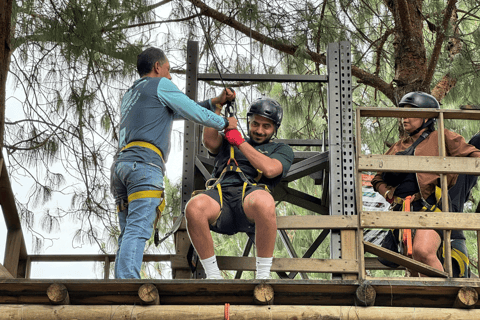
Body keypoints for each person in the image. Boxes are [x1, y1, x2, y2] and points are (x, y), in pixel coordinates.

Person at [111, 47, 237, 279]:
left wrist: (213, 102)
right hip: (144, 165)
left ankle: (121, 279)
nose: (170, 76)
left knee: (128, 231)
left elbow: (174, 110)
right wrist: (223, 123)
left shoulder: (131, 94)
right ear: (158, 67)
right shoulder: (161, 84)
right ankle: (127, 283)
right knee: (138, 229)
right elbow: (189, 110)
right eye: (168, 70)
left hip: (121, 166)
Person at [372, 91, 480, 277]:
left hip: (430, 207)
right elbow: (377, 178)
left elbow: (473, 154)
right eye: (402, 114)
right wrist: (387, 193)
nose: (404, 118)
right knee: (413, 264)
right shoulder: (397, 147)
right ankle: (425, 301)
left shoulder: (441, 137)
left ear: (427, 116)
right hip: (403, 211)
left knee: (423, 251)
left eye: (410, 113)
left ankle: (445, 295)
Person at [185, 98, 295, 279]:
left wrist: (239, 143)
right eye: (255, 124)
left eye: (266, 126)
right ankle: (213, 275)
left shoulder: (281, 150)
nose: (259, 130)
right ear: (249, 122)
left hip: (249, 200)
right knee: (194, 207)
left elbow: (270, 169)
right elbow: (209, 140)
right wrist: (219, 110)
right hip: (220, 198)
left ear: (275, 128)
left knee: (265, 202)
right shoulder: (227, 141)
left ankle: (263, 276)